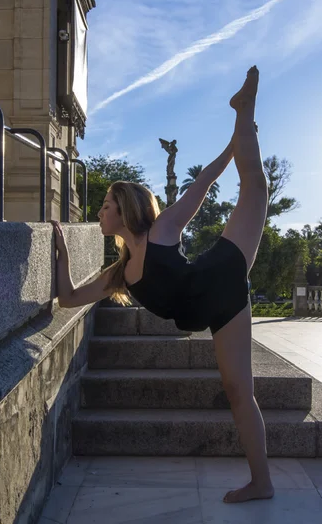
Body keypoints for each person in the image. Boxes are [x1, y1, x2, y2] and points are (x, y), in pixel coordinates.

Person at [51, 66, 273, 504]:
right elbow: (67, 299)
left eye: (107, 204)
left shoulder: (162, 229)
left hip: (221, 277)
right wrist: (60, 257)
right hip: (209, 310)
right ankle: (262, 483)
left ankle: (243, 112)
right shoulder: (119, 273)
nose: (100, 210)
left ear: (125, 210)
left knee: (255, 185)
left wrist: (233, 143)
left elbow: (203, 184)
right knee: (235, 392)